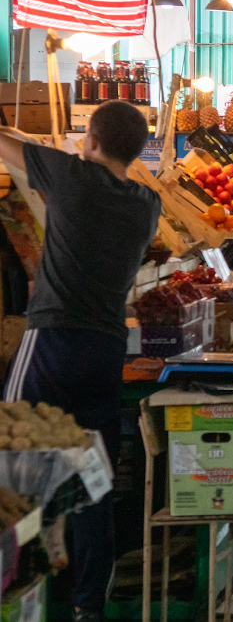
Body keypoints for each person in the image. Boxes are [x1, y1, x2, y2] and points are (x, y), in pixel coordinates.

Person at [0, 101, 161, 622]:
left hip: (51, 341)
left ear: (90, 140)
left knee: (15, 463)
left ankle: (15, 590)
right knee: (93, 477)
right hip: (104, 350)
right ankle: (87, 603)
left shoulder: (72, 176)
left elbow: (8, 148)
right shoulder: (147, 204)